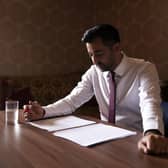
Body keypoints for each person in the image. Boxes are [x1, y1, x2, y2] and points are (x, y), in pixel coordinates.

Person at [24, 24, 166, 155]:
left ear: (116, 48)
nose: (94, 61)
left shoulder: (144, 69)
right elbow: (72, 101)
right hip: (104, 139)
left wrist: (151, 132)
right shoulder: (94, 72)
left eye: (98, 54)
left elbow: (150, 103)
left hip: (136, 140)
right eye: (90, 55)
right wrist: (44, 111)